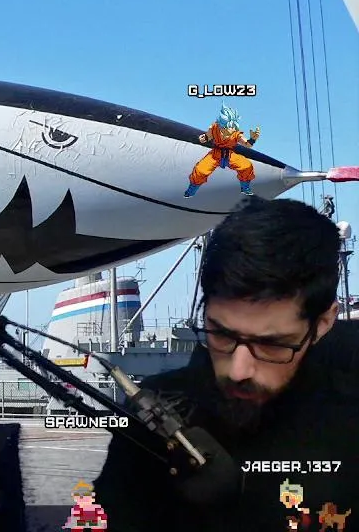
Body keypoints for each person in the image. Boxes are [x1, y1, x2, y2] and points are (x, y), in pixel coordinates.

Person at [93, 197, 359, 530]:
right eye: (221, 334)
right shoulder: (153, 415)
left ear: (323, 323)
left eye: (271, 344)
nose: (238, 370)